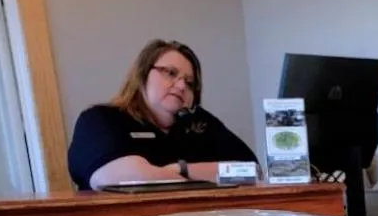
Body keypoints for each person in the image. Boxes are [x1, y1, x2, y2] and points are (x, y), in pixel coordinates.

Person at [68, 39, 258, 190]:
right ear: (142, 75)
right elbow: (121, 179)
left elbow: (252, 172)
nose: (182, 85)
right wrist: (205, 177)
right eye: (170, 73)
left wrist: (182, 169)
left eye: (190, 83)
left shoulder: (201, 124)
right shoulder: (101, 119)